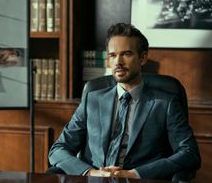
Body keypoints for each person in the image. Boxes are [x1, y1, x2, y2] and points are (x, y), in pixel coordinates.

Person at [48, 23, 201, 180]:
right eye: (112, 55)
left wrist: (134, 174)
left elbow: (189, 153)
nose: (118, 62)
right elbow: (58, 149)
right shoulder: (92, 100)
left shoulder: (164, 103)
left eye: (126, 54)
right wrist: (91, 172)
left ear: (143, 58)